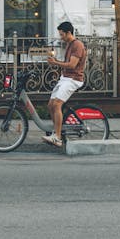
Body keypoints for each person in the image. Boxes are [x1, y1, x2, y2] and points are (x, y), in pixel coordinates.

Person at [44, 20, 87, 148]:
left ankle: (57, 137)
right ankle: (56, 132)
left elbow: (72, 65)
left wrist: (55, 63)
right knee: (50, 105)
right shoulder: (69, 44)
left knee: (57, 104)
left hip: (73, 79)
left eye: (62, 34)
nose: (61, 37)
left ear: (69, 33)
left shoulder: (77, 45)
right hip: (65, 77)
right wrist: (56, 62)